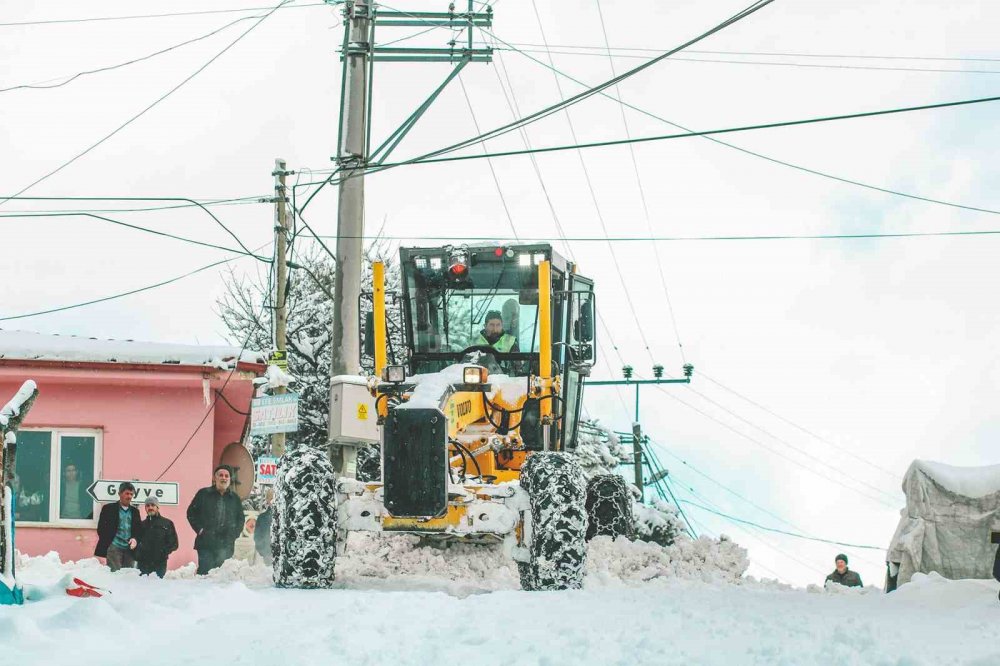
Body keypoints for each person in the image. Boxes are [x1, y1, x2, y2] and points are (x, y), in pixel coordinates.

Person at [186, 465, 245, 575]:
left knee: (222, 577)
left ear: (229, 479)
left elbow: (240, 519)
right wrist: (200, 530)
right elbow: (191, 513)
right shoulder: (203, 494)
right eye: (221, 475)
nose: (224, 478)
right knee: (205, 575)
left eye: (226, 476)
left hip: (226, 544)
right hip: (206, 543)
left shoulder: (234, 498)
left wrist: (234, 533)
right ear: (215, 478)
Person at [95, 482, 143, 572]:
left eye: (131, 494)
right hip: (114, 547)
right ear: (120, 494)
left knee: (128, 575)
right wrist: (109, 542)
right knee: (115, 575)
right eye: (127, 493)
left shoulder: (135, 511)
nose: (129, 496)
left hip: (129, 549)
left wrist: (135, 539)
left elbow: (138, 530)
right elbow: (101, 528)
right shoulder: (108, 509)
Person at [135, 496, 178, 578]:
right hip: (143, 564)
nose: (150, 507)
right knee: (142, 587)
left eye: (152, 505)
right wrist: (139, 554)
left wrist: (163, 552)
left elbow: (174, 543)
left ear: (157, 507)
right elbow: (136, 541)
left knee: (158, 587)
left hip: (160, 563)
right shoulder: (141, 525)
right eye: (147, 506)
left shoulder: (167, 523)